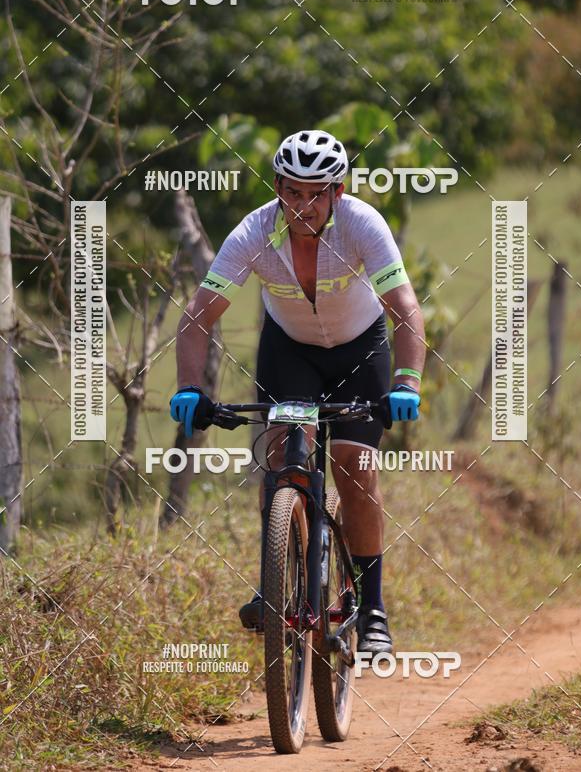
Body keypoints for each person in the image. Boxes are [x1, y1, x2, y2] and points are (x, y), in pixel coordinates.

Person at [170, 129, 425, 656]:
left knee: (355, 467)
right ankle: (275, 577)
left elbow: (404, 308)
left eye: (316, 193)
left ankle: (373, 608)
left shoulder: (363, 225)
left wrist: (406, 381)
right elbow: (198, 316)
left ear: (338, 191)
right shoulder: (253, 232)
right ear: (278, 188)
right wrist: (190, 387)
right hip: (291, 352)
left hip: (360, 350)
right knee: (284, 452)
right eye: (292, 191)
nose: (302, 204)